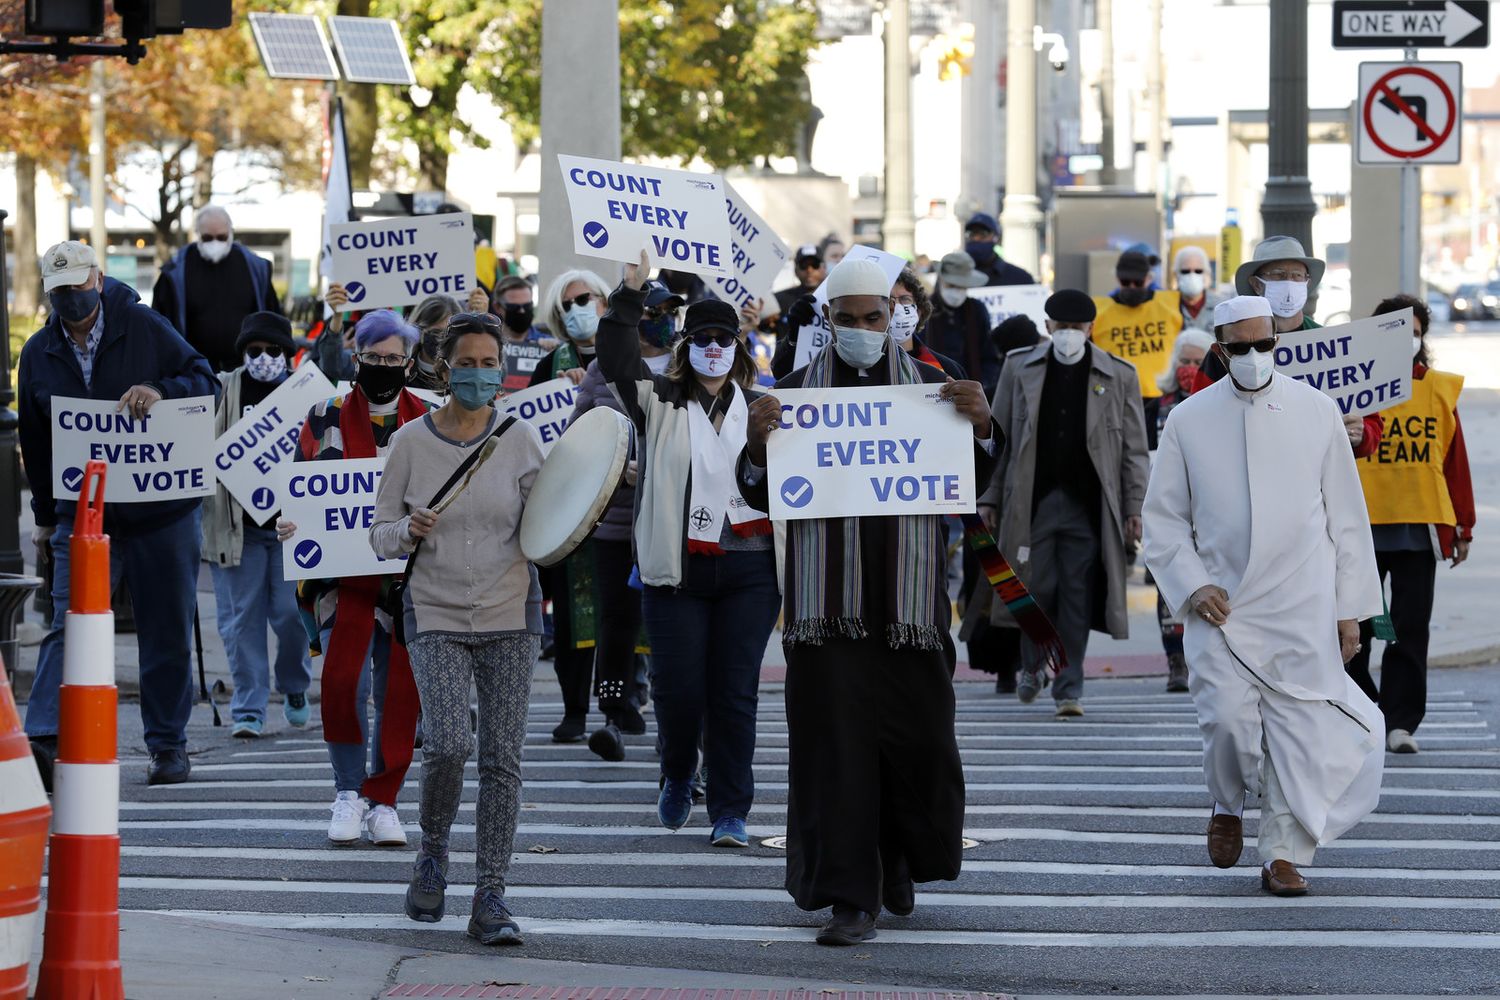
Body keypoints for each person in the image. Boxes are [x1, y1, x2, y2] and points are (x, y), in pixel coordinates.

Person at [737, 257, 997, 945]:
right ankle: (850, 894)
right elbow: (757, 492)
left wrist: (984, 426)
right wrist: (757, 447)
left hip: (911, 614)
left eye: (871, 319)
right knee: (837, 752)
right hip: (829, 619)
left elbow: (974, 479)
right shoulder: (792, 397)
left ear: (892, 319)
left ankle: (899, 863)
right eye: (846, 320)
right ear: (827, 322)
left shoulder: (937, 394)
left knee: (920, 746)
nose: (859, 330)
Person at [1142, 294, 1384, 898]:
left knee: (1298, 733)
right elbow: (1165, 520)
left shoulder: (1317, 410)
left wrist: (1351, 610)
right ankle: (1226, 802)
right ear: (1220, 349)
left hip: (1304, 602)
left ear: (1278, 338)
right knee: (1226, 722)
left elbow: (1346, 519)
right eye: (1240, 348)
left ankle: (1283, 854)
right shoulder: (1188, 420)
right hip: (1221, 606)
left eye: (1264, 344)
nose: (1254, 357)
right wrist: (1192, 584)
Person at [370, 312, 545, 946]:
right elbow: (379, 532)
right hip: (435, 610)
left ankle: (491, 896)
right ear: (445, 369)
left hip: (510, 612)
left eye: (488, 363)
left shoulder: (522, 438)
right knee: (446, 744)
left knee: (504, 759)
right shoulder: (411, 442)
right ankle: (434, 851)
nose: (478, 374)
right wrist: (405, 530)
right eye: (466, 363)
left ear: (503, 368)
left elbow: (549, 524)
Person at [598, 252, 781, 849]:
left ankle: (731, 808)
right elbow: (616, 358)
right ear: (685, 345)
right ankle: (679, 769)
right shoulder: (658, 399)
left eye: (722, 339)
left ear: (738, 346)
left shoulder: (764, 405)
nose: (712, 348)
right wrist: (629, 293)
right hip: (675, 572)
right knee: (679, 691)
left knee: (734, 693)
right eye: (701, 338)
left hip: (750, 568)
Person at [20, 240, 217, 787]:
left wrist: (160, 389)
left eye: (79, 286)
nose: (71, 298)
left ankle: (167, 746)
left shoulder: (144, 325)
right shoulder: (37, 351)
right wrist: (42, 515)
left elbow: (204, 382)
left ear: (99, 280)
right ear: (49, 292)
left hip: (162, 513)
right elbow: (37, 443)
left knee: (166, 630)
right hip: (81, 516)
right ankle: (46, 739)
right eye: (60, 290)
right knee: (68, 626)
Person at [278, 309, 430, 846]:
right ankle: (347, 791)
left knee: (400, 692)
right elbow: (298, 485)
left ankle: (384, 799)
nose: (384, 366)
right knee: (343, 682)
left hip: (411, 579)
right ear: (356, 358)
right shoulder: (323, 415)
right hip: (342, 577)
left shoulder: (430, 419)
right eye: (374, 357)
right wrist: (289, 523)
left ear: (409, 362)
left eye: (394, 359)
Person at [978, 290, 1150, 717]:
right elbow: (998, 439)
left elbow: (1134, 449)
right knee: (1034, 586)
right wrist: (990, 497)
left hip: (1089, 506)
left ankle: (1069, 687)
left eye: (1078, 327)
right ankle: (1034, 665)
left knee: (1076, 593)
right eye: (1062, 326)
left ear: (1091, 329)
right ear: (1047, 326)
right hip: (1031, 501)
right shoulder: (1020, 366)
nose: (1069, 334)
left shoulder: (1119, 374)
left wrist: (1134, 509)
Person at [1347, 294, 1475, 754]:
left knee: (1409, 628)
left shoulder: (1440, 388)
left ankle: (1399, 723)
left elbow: (1455, 463)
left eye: (1414, 330)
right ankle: (1361, 711)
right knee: (1355, 630)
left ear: (1423, 336)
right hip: (1360, 526)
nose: (1407, 339)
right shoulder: (1353, 388)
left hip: (1419, 530)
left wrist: (1464, 526)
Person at [571, 278, 685, 760]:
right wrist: (618, 470)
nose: (665, 320)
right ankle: (613, 713)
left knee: (671, 622)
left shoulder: (689, 366)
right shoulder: (604, 369)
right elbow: (580, 436)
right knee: (617, 617)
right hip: (616, 517)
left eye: (669, 311)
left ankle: (674, 722)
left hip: (672, 517)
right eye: (655, 311)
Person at [201, 311, 313, 738]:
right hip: (237, 530)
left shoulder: (304, 392)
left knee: (290, 615)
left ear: (288, 353)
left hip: (292, 530)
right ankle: (248, 707)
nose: (264, 358)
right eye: (254, 351)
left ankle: (295, 685)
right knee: (241, 620)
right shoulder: (224, 388)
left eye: (273, 350)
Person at [1212, 236, 1384, 458]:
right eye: (1279, 275)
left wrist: (1361, 435)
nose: (1289, 283)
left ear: (1307, 282)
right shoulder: (1230, 346)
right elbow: (1200, 411)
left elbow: (1371, 423)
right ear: (1256, 284)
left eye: (1297, 276)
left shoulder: (1336, 344)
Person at [532, 269, 611, 741]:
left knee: (621, 612)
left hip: (617, 503)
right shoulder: (550, 366)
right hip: (567, 507)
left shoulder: (628, 356)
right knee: (569, 615)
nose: (579, 308)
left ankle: (619, 704)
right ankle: (575, 708)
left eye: (586, 298)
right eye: (568, 304)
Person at [961, 313, 1043, 695]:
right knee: (1005, 582)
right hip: (1005, 498)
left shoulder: (1020, 376)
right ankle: (1016, 665)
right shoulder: (1006, 379)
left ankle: (1019, 666)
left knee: (1008, 583)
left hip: (1012, 499)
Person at [1144, 328, 1215, 692]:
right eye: (1184, 361)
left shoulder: (1219, 404)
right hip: (1171, 510)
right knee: (1170, 585)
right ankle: (1175, 662)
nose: (1189, 368)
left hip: (1210, 511)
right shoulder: (1156, 406)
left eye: (1196, 361)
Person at [152, 205, 282, 373]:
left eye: (221, 237)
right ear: (197, 234)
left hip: (246, 370)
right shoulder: (176, 271)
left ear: (231, 233)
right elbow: (159, 324)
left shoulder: (255, 268)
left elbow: (272, 316)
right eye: (207, 237)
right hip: (193, 372)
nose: (215, 242)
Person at [1090, 250, 1182, 403]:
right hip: (1117, 397)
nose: (1132, 287)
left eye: (1138, 282)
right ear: (1117, 279)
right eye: (1126, 282)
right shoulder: (1099, 311)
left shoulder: (1170, 304)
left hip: (1162, 397)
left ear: (1148, 279)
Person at [925, 251, 1000, 395]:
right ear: (940, 280)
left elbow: (989, 355)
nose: (957, 292)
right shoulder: (924, 310)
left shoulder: (977, 310)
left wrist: (981, 386)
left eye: (962, 287)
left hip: (972, 392)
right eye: (952, 285)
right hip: (931, 392)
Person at [889, 267, 965, 378]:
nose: (896, 307)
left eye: (905, 299)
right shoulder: (862, 369)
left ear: (919, 312)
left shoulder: (947, 370)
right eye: (888, 300)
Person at [493, 275, 555, 391]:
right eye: (515, 307)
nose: (522, 311)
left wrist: (556, 355)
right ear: (498, 307)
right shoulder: (489, 343)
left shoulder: (549, 344)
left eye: (527, 306)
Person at [406, 294, 464, 395]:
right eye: (435, 332)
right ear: (418, 331)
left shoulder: (466, 375)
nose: (441, 338)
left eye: (448, 333)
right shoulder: (403, 373)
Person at [963, 212, 1035, 286]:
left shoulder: (1021, 278)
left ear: (996, 238)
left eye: (983, 234)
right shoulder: (956, 276)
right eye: (971, 234)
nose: (976, 239)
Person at [1173, 245, 1227, 333]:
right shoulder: (1165, 306)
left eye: (1198, 271)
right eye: (1185, 271)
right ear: (1176, 274)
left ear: (1206, 273)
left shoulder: (1222, 307)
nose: (1192, 275)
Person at [773, 245, 827, 319]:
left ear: (824, 268)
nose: (809, 270)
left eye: (815, 265)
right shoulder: (779, 300)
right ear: (796, 270)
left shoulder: (836, 301)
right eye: (804, 265)